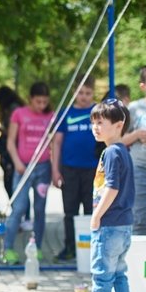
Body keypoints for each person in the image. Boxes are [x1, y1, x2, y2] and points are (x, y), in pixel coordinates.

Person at [80, 99, 137, 292]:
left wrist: (96, 215)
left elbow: (111, 188)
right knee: (118, 273)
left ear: (118, 124)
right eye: (94, 122)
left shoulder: (112, 152)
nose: (95, 127)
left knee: (102, 273)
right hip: (123, 225)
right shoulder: (121, 151)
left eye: (101, 122)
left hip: (110, 224)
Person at [3, 81, 54, 264]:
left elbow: (54, 143)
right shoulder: (19, 114)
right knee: (19, 208)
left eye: (45, 102)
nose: (41, 106)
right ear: (30, 99)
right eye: (38, 101)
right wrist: (17, 162)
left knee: (40, 209)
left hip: (43, 168)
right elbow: (10, 142)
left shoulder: (50, 116)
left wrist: (54, 169)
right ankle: (7, 248)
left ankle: (37, 248)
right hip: (23, 167)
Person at [51, 76, 98, 262]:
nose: (84, 97)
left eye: (88, 93)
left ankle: (92, 248)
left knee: (91, 210)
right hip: (69, 169)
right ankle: (70, 247)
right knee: (69, 211)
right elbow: (57, 142)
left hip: (93, 169)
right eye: (80, 93)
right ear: (74, 92)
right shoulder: (66, 113)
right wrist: (55, 170)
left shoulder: (97, 112)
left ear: (93, 93)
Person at [121, 64, 146, 236]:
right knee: (140, 218)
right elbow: (119, 139)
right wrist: (137, 134)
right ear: (143, 86)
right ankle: (138, 259)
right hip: (140, 169)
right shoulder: (134, 108)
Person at [0, 86, 26, 200]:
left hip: (13, 148)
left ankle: (19, 210)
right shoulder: (16, 107)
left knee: (12, 181)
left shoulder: (13, 109)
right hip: (14, 148)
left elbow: (13, 132)